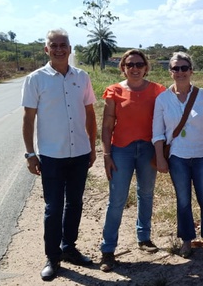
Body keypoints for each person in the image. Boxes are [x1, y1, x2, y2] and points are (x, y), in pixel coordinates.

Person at [21, 28, 97, 281]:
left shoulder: (82, 77)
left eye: (63, 44)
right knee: (53, 207)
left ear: (70, 48)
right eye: (54, 45)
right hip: (52, 155)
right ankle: (52, 258)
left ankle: (69, 248)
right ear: (46, 49)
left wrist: (92, 148)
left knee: (75, 203)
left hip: (80, 152)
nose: (59, 49)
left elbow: (90, 113)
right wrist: (30, 154)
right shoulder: (35, 79)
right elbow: (28, 118)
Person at [99, 49, 166, 272]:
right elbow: (107, 125)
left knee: (146, 194)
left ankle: (144, 238)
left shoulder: (158, 91)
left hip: (148, 149)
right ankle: (108, 250)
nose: (135, 68)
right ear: (123, 68)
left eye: (139, 64)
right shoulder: (114, 91)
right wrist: (106, 154)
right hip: (121, 150)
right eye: (130, 65)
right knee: (117, 199)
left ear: (146, 67)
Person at [153, 52, 203, 258]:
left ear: (191, 71)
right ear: (170, 72)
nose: (180, 72)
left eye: (184, 68)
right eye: (176, 68)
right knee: (183, 199)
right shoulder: (163, 99)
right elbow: (157, 133)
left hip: (202, 154)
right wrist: (160, 157)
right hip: (177, 157)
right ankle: (186, 240)